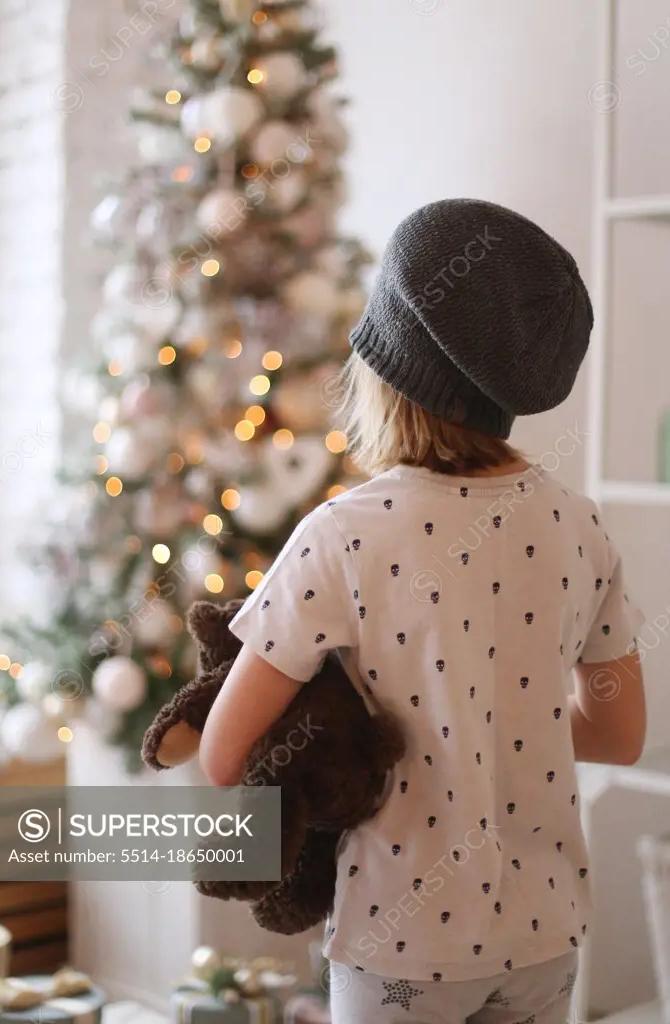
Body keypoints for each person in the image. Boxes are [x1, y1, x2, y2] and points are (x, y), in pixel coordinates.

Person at [199, 199, 647, 1023]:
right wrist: (498, 717)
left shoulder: (340, 534)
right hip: (547, 936)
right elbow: (621, 735)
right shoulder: (578, 523)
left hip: (401, 946)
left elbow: (226, 756)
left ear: (384, 369)